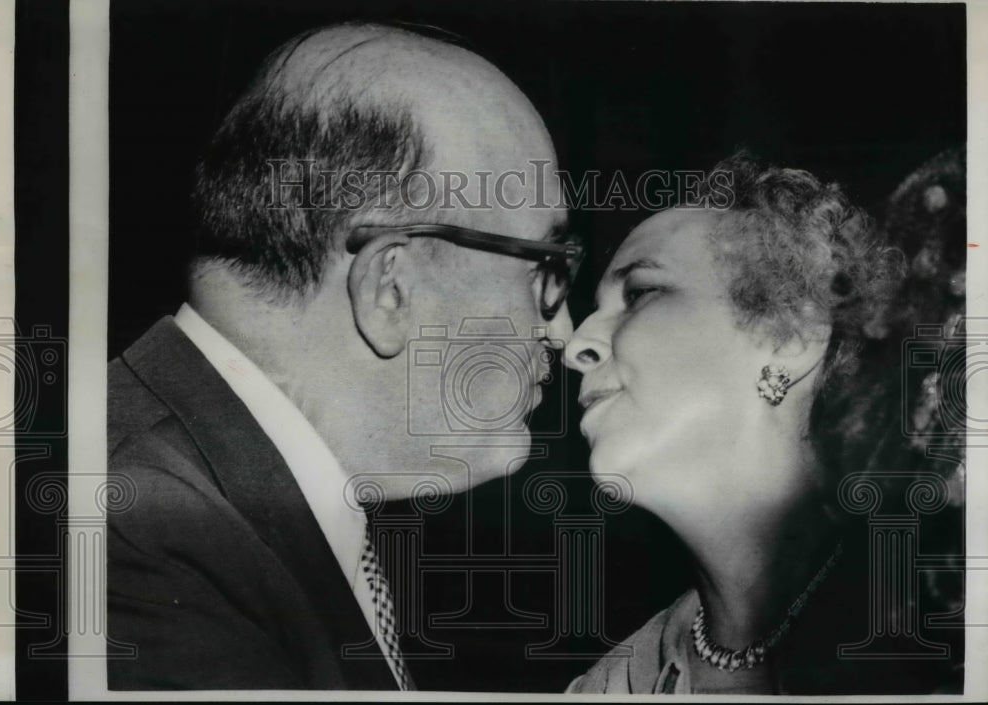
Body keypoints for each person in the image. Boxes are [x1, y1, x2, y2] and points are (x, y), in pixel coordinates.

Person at [107, 22, 576, 690]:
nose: (563, 331)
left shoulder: (227, 499)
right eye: (545, 269)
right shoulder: (141, 536)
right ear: (391, 287)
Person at [562, 151, 963, 694]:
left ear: (792, 334)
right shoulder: (612, 685)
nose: (575, 345)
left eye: (639, 294)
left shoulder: (943, 613)